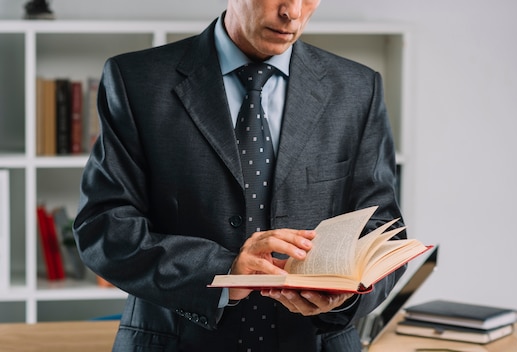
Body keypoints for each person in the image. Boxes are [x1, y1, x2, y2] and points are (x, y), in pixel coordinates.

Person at [73, 0, 406, 351]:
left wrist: (346, 297)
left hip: (316, 341)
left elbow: (383, 230)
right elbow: (103, 228)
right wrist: (222, 270)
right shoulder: (136, 80)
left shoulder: (358, 89)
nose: (292, 11)